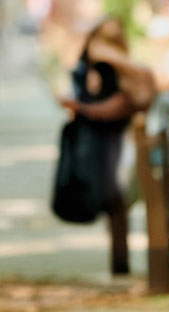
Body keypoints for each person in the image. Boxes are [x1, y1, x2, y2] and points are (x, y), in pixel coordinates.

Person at [56, 16, 154, 275]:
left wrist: (115, 58)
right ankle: (119, 265)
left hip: (119, 144)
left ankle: (120, 266)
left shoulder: (126, 72)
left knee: (116, 202)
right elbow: (66, 92)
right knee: (109, 202)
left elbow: (140, 94)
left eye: (112, 41)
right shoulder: (83, 68)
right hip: (93, 144)